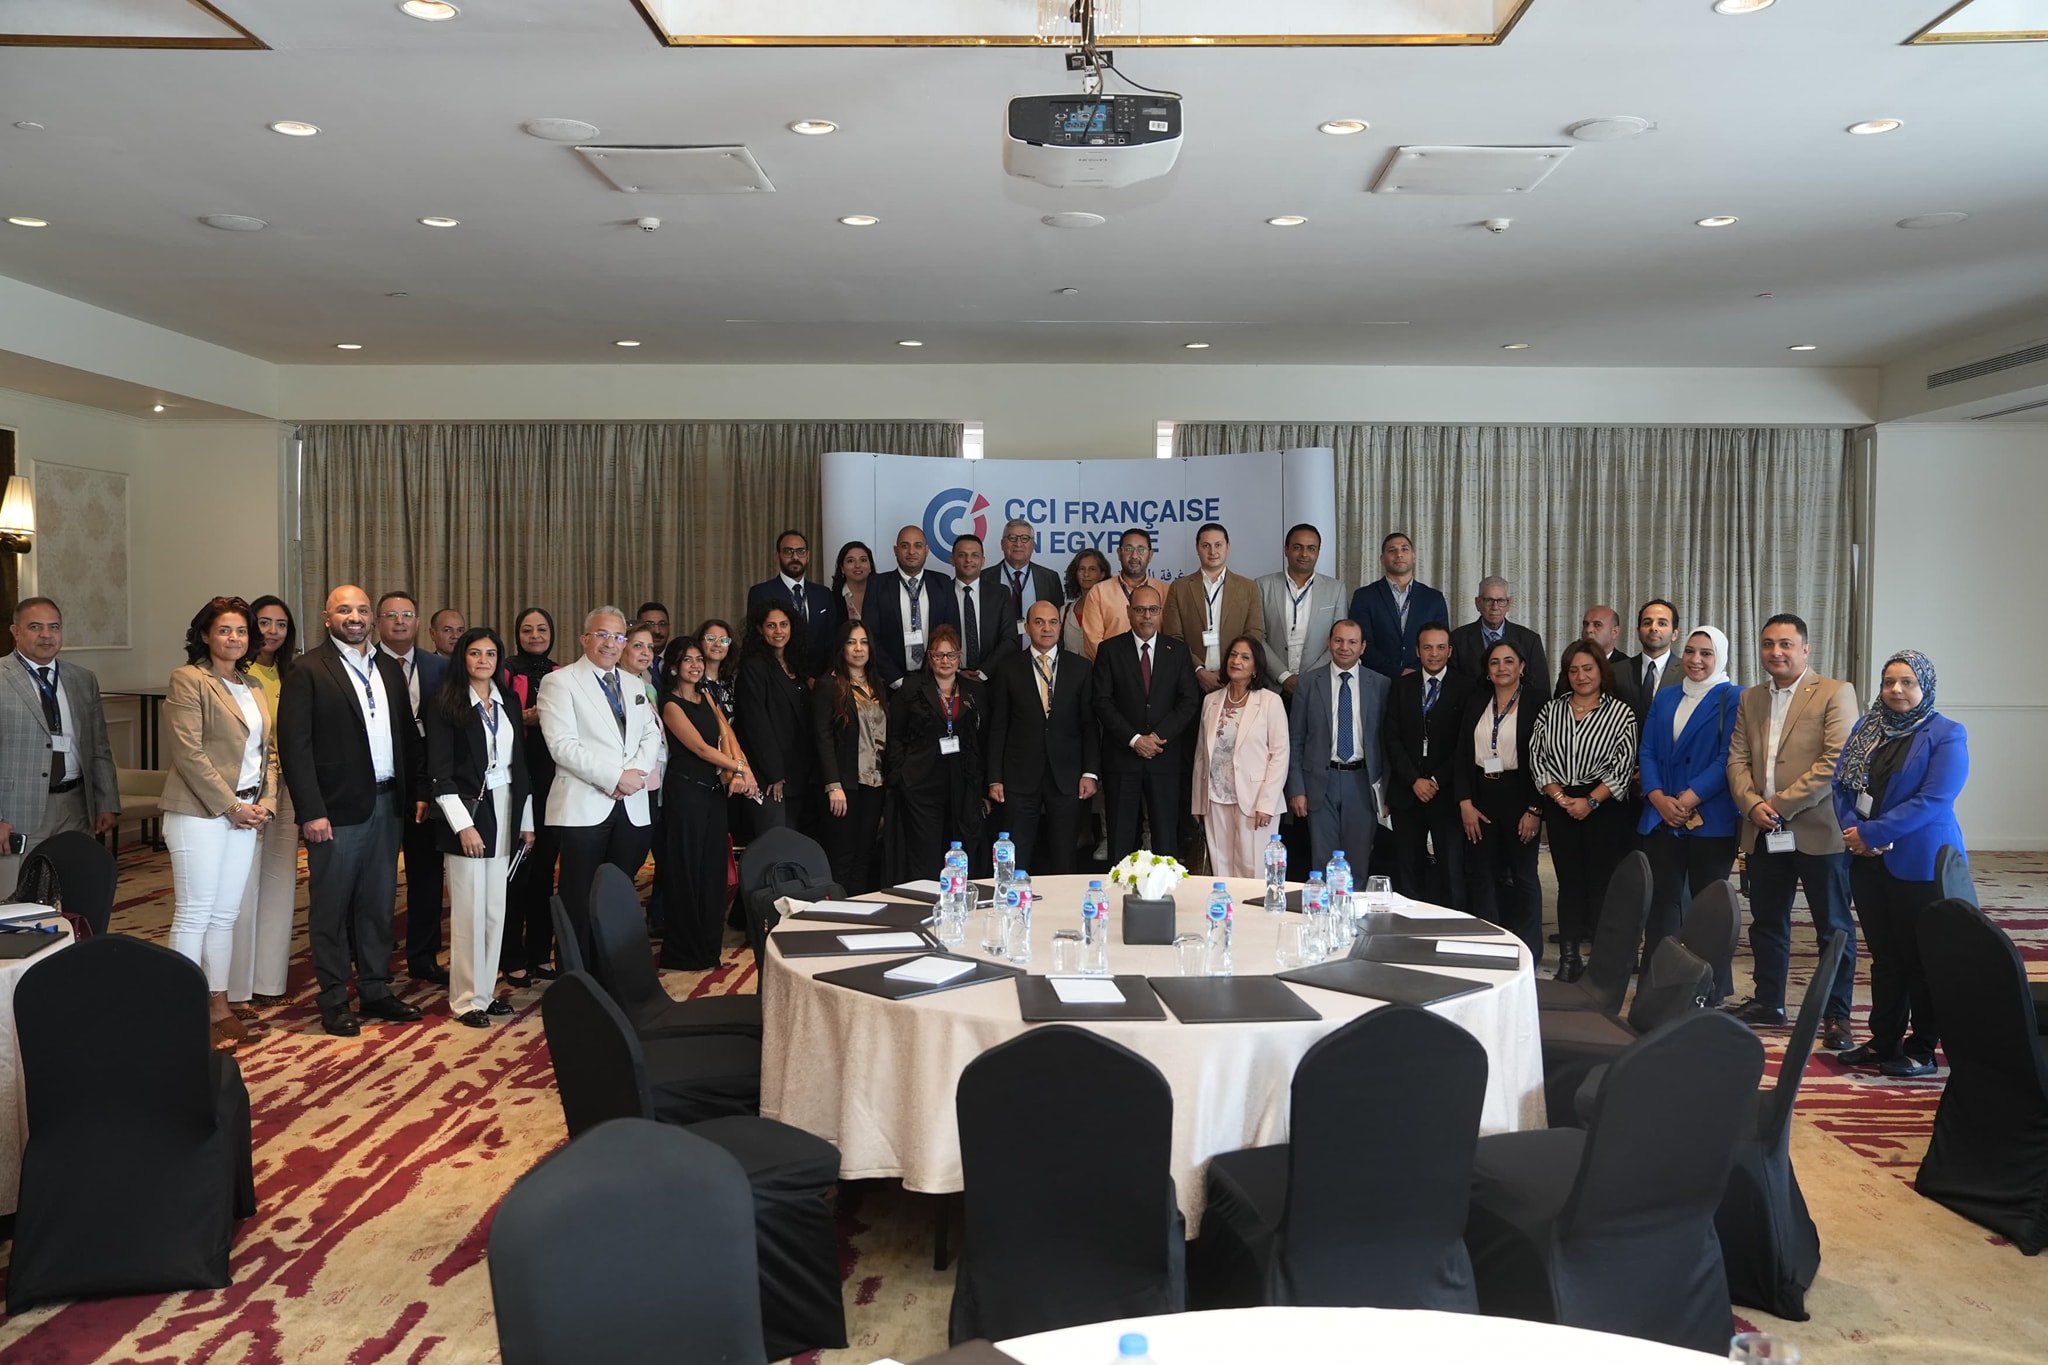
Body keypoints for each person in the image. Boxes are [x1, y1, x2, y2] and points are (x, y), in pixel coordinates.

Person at [278, 584, 425, 1037]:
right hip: (335, 811)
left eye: (362, 609)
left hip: (388, 803)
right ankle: (334, 998)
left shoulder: (387, 668)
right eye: (344, 610)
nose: (355, 617)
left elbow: (407, 735)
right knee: (331, 907)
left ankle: (376, 989)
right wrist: (311, 811)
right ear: (327, 617)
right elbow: (295, 747)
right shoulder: (307, 669)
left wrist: (417, 790)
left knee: (379, 903)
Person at [1724, 614, 1859, 1048]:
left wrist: (1779, 805)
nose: (1775, 652)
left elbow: (1834, 763)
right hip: (1762, 829)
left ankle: (1836, 1014)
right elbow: (1737, 759)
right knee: (1767, 921)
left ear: (1805, 649)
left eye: (1785, 644)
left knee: (1832, 927)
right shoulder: (1751, 698)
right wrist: (1752, 804)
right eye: (1768, 644)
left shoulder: (1836, 692)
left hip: (1819, 831)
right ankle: (1769, 1001)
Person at [1833, 650, 1969, 1077]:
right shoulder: (1867, 728)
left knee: (1921, 959)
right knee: (1885, 956)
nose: (1896, 690)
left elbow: (1934, 799)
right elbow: (1841, 785)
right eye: (1889, 682)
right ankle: (1883, 1039)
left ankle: (1923, 1048)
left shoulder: (1946, 734)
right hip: (1868, 863)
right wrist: (1853, 830)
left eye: (1907, 682)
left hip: (1919, 863)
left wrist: (1872, 834)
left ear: (1924, 686)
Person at [160, 597, 278, 1051]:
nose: (234, 638)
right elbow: (189, 753)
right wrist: (231, 806)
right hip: (199, 812)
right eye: (225, 630)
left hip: (246, 813)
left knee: (226, 915)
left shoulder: (253, 684)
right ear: (205, 635)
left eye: (242, 631)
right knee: (195, 913)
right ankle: (182, 1012)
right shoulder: (189, 679)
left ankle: (218, 1006)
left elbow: (268, 753)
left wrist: (265, 802)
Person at [538, 605, 663, 969]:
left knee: (617, 896)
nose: (610, 643)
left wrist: (635, 775)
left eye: (618, 636)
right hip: (584, 805)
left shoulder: (634, 683)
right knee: (579, 898)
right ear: (584, 638)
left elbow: (650, 735)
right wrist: (614, 778)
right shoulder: (560, 682)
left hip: (630, 804)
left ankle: (613, 974)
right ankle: (577, 978)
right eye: (602, 635)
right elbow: (562, 746)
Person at [425, 627, 535, 1027]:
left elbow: (519, 765)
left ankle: (485, 995)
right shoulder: (446, 702)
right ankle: (464, 1000)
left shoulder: (508, 700)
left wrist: (525, 821)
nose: (483, 660)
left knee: (494, 909)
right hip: (467, 811)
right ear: (462, 658)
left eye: (490, 654)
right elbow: (440, 774)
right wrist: (463, 827)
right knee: (469, 911)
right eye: (475, 653)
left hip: (505, 806)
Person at [1530, 640, 1638, 981]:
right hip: (1560, 805)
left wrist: (1590, 801)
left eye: (1587, 669)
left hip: (1604, 808)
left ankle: (1602, 964)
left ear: (1601, 671)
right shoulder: (1552, 710)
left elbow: (1623, 767)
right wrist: (1561, 799)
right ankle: (1569, 959)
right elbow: (1538, 758)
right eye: (1573, 670)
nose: (1581, 676)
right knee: (1569, 883)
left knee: (1601, 885)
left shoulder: (1621, 713)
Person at [0, 597, 119, 891]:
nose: (46, 635)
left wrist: (106, 802)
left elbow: (98, 745)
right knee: (20, 896)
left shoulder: (82, 679)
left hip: (77, 806)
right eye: (35, 627)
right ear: (15, 631)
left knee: (76, 891)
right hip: (18, 810)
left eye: (54, 627)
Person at [1636, 627, 1741, 961]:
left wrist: (1685, 801)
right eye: (1691, 651)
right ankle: (1657, 977)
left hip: (1710, 818)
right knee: (1661, 902)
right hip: (1661, 815)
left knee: (1708, 905)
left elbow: (1729, 757)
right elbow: (1647, 750)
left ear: (1720, 657)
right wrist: (1657, 797)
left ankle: (1707, 982)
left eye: (1706, 653)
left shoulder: (1734, 697)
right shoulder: (1667, 695)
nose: (1696, 660)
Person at [660, 637, 758, 970]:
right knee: (687, 870)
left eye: (699, 659)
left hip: (713, 794)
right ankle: (683, 953)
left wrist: (742, 768)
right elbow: (701, 749)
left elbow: (726, 735)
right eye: (687, 660)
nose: (695, 665)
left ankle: (707, 949)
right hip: (686, 794)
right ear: (674, 666)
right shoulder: (670, 704)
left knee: (713, 872)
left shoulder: (707, 696)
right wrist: (740, 768)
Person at [986, 600, 1099, 878]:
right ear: (1026, 628)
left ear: (1060, 627)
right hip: (1019, 776)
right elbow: (998, 726)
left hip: (1067, 775)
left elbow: (1089, 726)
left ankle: (1062, 904)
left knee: (1065, 857)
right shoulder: (1008, 668)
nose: (1046, 628)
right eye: (1039, 622)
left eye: (1052, 622)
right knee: (1017, 856)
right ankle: (1013, 901)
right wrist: (994, 777)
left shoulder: (1080, 668)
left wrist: (1090, 772)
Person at [1093, 584, 1200, 862]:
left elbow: (1188, 701)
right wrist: (1135, 740)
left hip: (1164, 757)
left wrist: (1156, 737)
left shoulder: (1177, 650)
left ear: (1161, 612)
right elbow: (1102, 701)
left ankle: (1166, 889)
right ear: (1129, 612)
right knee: (1121, 841)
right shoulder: (1109, 650)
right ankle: (1120, 890)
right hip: (1122, 757)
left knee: (1166, 840)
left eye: (1153, 609)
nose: (1147, 616)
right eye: (1140, 609)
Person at [229, 594, 299, 1011]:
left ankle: (269, 980)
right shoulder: (236, 671)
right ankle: (236, 986)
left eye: (281, 624)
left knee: (279, 881)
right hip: (247, 789)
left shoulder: (293, 672)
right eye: (264, 622)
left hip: (288, 786)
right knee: (243, 884)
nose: (272, 631)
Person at [377, 590, 450, 987]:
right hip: (380, 783)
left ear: (419, 623)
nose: (400, 622)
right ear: (377, 623)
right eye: (391, 615)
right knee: (376, 876)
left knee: (426, 874)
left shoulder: (439, 666)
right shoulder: (363, 664)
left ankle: (423, 956)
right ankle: (371, 956)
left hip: (427, 781)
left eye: (407, 615)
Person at [1453, 639, 1544, 956]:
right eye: (1494, 662)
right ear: (1487, 671)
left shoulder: (1538, 702)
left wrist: (1535, 809)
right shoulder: (1477, 699)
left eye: (1509, 661)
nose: (1502, 667)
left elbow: (1544, 760)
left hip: (1520, 795)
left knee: (1524, 876)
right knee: (1482, 874)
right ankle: (1489, 947)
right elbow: (1462, 753)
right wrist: (1465, 802)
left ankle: (1529, 950)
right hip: (1481, 795)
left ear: (1522, 666)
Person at [885, 624, 989, 881]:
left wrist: (982, 786)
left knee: (960, 852)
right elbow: (895, 737)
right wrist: (902, 776)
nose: (945, 661)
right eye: (939, 655)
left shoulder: (974, 691)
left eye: (951, 655)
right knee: (925, 854)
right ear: (930, 657)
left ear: (959, 656)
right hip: (921, 785)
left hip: (962, 786)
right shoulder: (911, 689)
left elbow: (982, 738)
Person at [1383, 621, 1475, 909]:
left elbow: (1466, 744)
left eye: (1440, 647)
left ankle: (1451, 925)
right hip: (1407, 791)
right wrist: (1414, 779)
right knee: (1408, 868)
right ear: (1417, 651)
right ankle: (1409, 928)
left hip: (1446, 793)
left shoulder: (1466, 687)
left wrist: (1435, 780)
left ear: (1450, 651)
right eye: (1427, 647)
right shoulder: (1401, 686)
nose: (1434, 654)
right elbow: (1391, 737)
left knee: (1452, 869)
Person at [1285, 620, 1389, 872]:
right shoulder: (1308, 683)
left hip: (1363, 782)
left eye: (1352, 642)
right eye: (1339, 640)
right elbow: (1296, 738)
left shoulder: (1380, 684)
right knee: (1323, 861)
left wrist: (1387, 793)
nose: (1345, 647)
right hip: (1320, 782)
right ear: (1329, 643)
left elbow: (1387, 743)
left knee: (1358, 862)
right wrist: (1296, 788)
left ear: (1363, 647)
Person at [1191, 636, 1291, 877]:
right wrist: (1198, 800)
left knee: (1253, 869)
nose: (1236, 661)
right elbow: (1201, 754)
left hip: (1255, 799)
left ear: (1256, 668)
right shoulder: (1211, 700)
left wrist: (1267, 804)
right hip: (1215, 797)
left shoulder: (1270, 701)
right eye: (1233, 655)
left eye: (1245, 657)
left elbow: (1279, 755)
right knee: (1221, 867)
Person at [500, 606, 561, 987]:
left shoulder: (561, 672)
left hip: (553, 781)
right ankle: (512, 956)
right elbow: (494, 717)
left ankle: (540, 952)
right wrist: (523, 717)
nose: (535, 635)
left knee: (545, 872)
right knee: (517, 873)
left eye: (542, 629)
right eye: (527, 629)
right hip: (516, 779)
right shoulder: (505, 669)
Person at [813, 619, 889, 894]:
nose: (858, 648)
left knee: (864, 854)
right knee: (842, 855)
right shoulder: (828, 684)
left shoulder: (877, 684)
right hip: (845, 785)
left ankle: (859, 909)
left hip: (875, 783)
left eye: (864, 642)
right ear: (841, 647)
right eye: (851, 642)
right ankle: (836, 911)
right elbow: (822, 737)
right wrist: (833, 785)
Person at [733, 600, 818, 833]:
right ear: (760, 630)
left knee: (794, 840)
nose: (778, 631)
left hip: (799, 773)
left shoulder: (795, 665)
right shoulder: (754, 667)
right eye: (771, 625)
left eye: (784, 624)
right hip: (770, 777)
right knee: (775, 840)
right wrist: (775, 774)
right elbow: (755, 724)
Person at [1162, 522, 1263, 695]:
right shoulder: (1179, 588)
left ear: (1228, 546)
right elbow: (1173, 637)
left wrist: (1232, 667)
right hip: (1190, 680)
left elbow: (1254, 633)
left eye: (1218, 545)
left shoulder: (1248, 587)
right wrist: (1198, 670)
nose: (1212, 551)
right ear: (1197, 548)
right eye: (1205, 546)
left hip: (1235, 679)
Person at [1255, 523, 1343, 698]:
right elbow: (1257, 636)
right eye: (1297, 547)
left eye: (1311, 548)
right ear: (1286, 550)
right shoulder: (1262, 586)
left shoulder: (1336, 589)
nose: (1304, 554)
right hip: (1272, 687)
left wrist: (1308, 679)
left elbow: (1339, 640)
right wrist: (1283, 676)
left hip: (1317, 686)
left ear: (1318, 552)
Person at [868, 525, 960, 689]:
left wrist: (938, 674)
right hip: (891, 683)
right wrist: (896, 680)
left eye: (917, 545)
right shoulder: (877, 585)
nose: (911, 551)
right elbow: (871, 637)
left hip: (936, 680)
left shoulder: (943, 583)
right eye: (905, 546)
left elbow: (953, 632)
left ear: (926, 550)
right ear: (895, 550)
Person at [1350, 532, 1451, 681]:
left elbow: (1442, 643)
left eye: (1404, 549)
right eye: (1392, 550)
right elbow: (1362, 644)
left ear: (1414, 556)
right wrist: (1399, 672)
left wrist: (1416, 673)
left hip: (1422, 679)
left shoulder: (1434, 598)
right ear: (1382, 559)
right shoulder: (1364, 596)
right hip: (1378, 680)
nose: (1399, 554)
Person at [623, 623, 668, 938]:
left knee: (652, 855)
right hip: (629, 788)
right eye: (638, 646)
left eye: (650, 647)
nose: (646, 653)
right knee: (628, 860)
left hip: (655, 787)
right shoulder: (615, 686)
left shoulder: (647, 687)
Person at [748, 531, 837, 678]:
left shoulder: (824, 594)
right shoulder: (761, 593)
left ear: (807, 556)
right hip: (776, 678)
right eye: (788, 551)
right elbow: (756, 642)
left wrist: (822, 679)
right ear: (777, 556)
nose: (795, 557)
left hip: (818, 680)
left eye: (800, 551)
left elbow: (831, 642)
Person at [986, 519, 1064, 670]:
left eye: (1025, 538)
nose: (1018, 543)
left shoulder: (1049, 578)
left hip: (1039, 664)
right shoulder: (985, 578)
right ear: (1002, 544)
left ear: (1033, 545)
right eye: (1012, 538)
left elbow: (1057, 625)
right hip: (994, 666)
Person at [1449, 577, 1549, 692]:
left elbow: (1542, 689)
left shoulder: (1530, 640)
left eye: (1501, 601)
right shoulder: (1457, 639)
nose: (1495, 607)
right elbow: (1452, 687)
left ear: (1509, 604)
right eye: (1489, 600)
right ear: (1478, 603)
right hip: (1470, 702)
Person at [1078, 528, 1156, 660]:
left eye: (1141, 549)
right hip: (1112, 669)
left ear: (1150, 554)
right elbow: (1093, 643)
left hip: (1156, 669)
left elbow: (1170, 640)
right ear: (1119, 553)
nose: (1134, 556)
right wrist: (1119, 667)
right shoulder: (1099, 592)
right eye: (1128, 549)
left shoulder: (1165, 591)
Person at [950, 533, 1008, 680]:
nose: (968, 560)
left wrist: (983, 673)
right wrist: (956, 671)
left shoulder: (1000, 594)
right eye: (962, 555)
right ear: (952, 560)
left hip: (992, 678)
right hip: (951, 677)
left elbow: (1009, 639)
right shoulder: (941, 593)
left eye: (975, 555)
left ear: (983, 561)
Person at [1621, 598, 1683, 729]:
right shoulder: (1617, 671)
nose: (1653, 628)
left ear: (1674, 634)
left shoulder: (1687, 673)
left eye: (1662, 623)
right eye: (1647, 623)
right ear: (1638, 632)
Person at [1580, 605, 1640, 715]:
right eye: (1585, 624)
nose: (1588, 630)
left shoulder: (1629, 668)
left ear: (1614, 632)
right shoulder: (1573, 664)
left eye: (1597, 625)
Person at [1060, 547, 1111, 658]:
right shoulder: (1065, 611)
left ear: (1102, 574)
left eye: (1092, 569)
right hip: (1071, 668)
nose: (1086, 574)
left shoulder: (1110, 610)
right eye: (1082, 569)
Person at [695, 617, 738, 722]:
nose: (718, 644)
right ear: (699, 642)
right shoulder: (691, 680)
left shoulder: (731, 681)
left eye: (724, 640)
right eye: (711, 638)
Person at [832, 541, 877, 625]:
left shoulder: (883, 596)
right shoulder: (831, 599)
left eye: (863, 560)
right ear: (842, 568)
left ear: (870, 566)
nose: (858, 565)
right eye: (850, 561)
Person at [636, 602, 671, 688]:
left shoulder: (678, 659)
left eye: (662, 624)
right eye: (649, 624)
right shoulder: (630, 661)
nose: (657, 631)